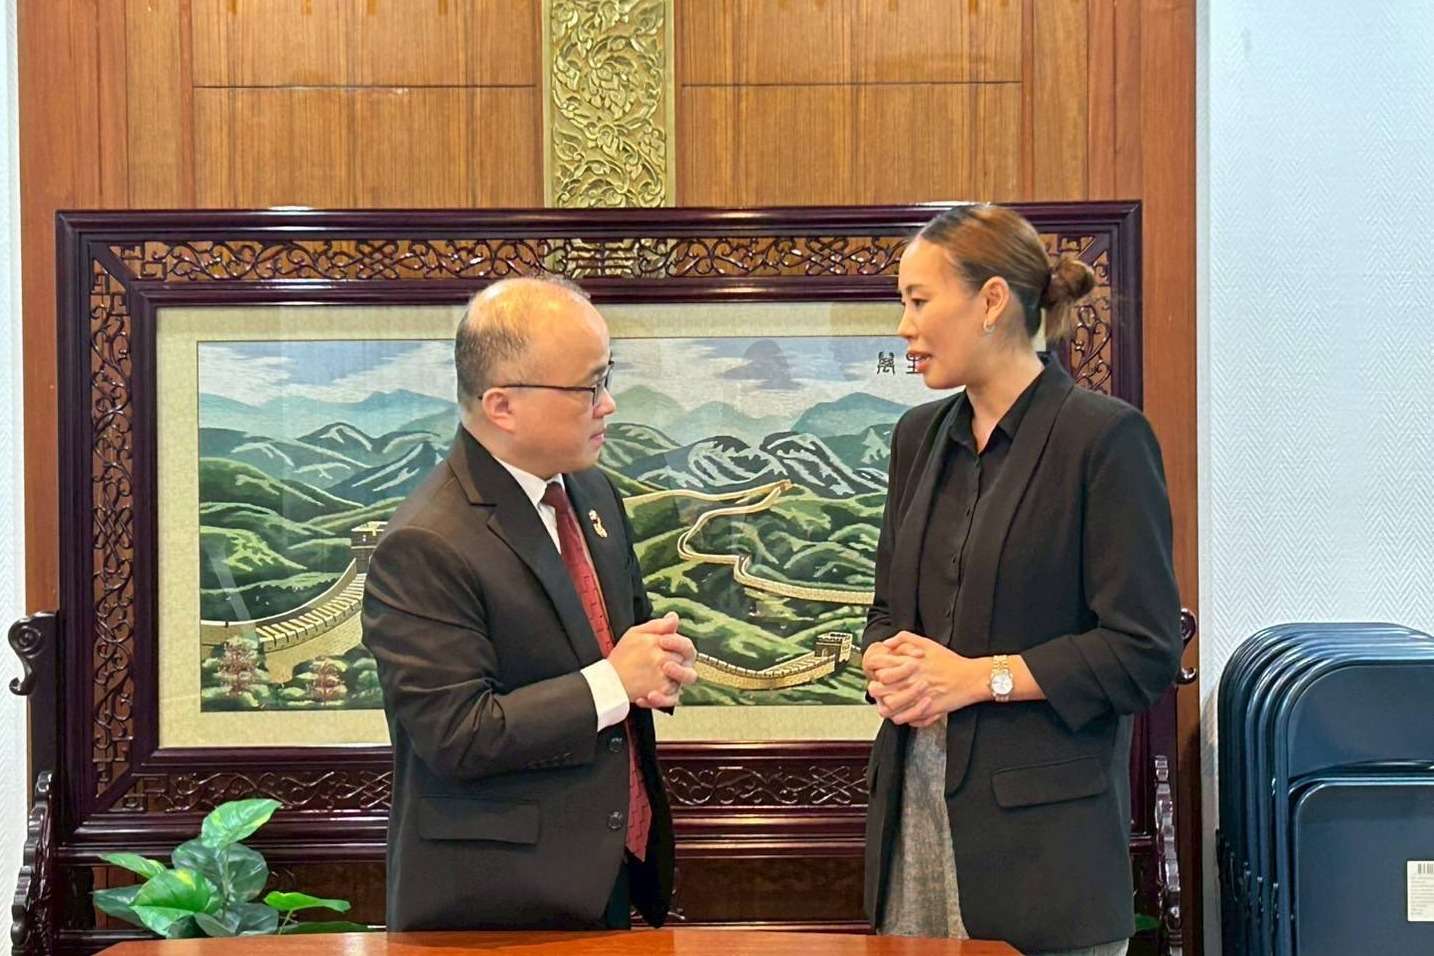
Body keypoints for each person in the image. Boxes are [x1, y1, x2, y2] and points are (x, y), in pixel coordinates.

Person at [861, 205, 1183, 956]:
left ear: (992, 301)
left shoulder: (1104, 438)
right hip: (913, 822)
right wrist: (884, 659)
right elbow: (885, 612)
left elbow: (1143, 651)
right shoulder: (917, 439)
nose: (904, 327)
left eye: (918, 301)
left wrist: (980, 678)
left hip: (1045, 858)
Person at [362, 276, 698, 931]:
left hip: (608, 868)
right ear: (502, 406)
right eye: (589, 387)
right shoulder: (425, 543)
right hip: (496, 903)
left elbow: (620, 642)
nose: (609, 404)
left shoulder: (591, 494)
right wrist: (614, 682)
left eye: (607, 378)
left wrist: (658, 662)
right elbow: (457, 735)